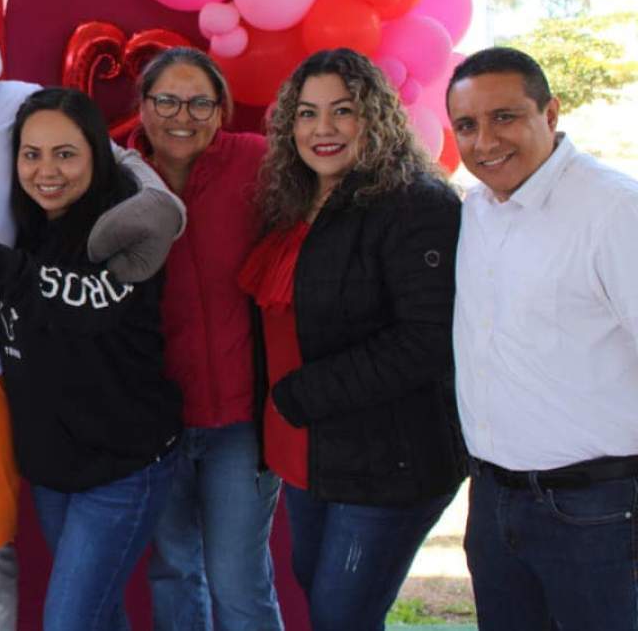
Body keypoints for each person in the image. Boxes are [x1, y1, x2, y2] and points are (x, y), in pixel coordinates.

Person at [0, 87, 183, 630]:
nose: (47, 171)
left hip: (123, 470)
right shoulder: (28, 222)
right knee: (99, 616)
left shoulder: (128, 231)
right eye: (31, 154)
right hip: (54, 470)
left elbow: (82, 303)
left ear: (95, 155)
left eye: (66, 154)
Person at [239, 48, 465, 631]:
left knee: (342, 617)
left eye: (343, 111)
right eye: (308, 113)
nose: (323, 129)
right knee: (325, 602)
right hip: (310, 456)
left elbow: (426, 340)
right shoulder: (296, 201)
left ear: (376, 116)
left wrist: (297, 396)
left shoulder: (416, 202)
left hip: (389, 460)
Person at [447, 46, 638, 630]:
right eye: (467, 125)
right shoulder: (476, 210)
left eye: (505, 117)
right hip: (493, 503)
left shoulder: (614, 211)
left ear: (550, 113)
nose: (485, 141)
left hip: (596, 512)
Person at [130, 49, 282, 631]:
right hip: (158, 425)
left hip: (241, 426)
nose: (182, 116)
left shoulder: (259, 162)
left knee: (239, 582)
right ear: (143, 107)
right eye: (166, 100)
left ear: (221, 111)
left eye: (199, 102)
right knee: (173, 572)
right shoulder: (118, 179)